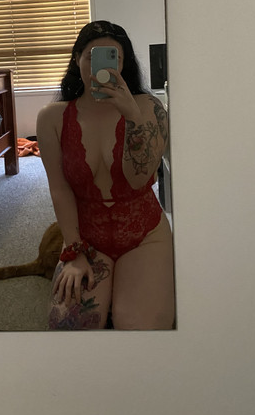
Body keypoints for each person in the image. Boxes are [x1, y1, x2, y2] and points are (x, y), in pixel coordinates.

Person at [36, 21, 175, 330]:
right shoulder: (52, 118)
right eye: (92, 56)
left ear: (124, 64)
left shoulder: (149, 107)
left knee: (141, 329)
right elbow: (60, 190)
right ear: (77, 59)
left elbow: (140, 179)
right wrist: (73, 251)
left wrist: (132, 115)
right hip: (85, 237)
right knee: (71, 327)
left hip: (145, 234)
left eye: (115, 57)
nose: (103, 66)